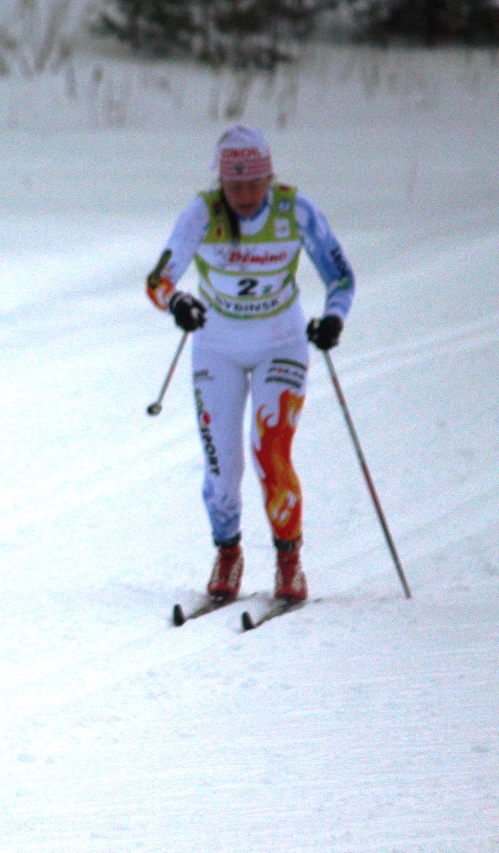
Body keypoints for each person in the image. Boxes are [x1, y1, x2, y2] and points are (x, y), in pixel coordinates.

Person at [146, 124, 354, 603]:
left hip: (279, 343)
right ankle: (228, 551)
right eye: (232, 185)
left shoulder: (295, 210)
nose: (242, 195)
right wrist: (177, 302)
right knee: (221, 464)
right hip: (215, 346)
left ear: (269, 177)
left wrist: (333, 319)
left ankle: (288, 561)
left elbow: (341, 276)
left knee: (270, 450)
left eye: (252, 184)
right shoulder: (202, 212)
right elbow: (159, 278)